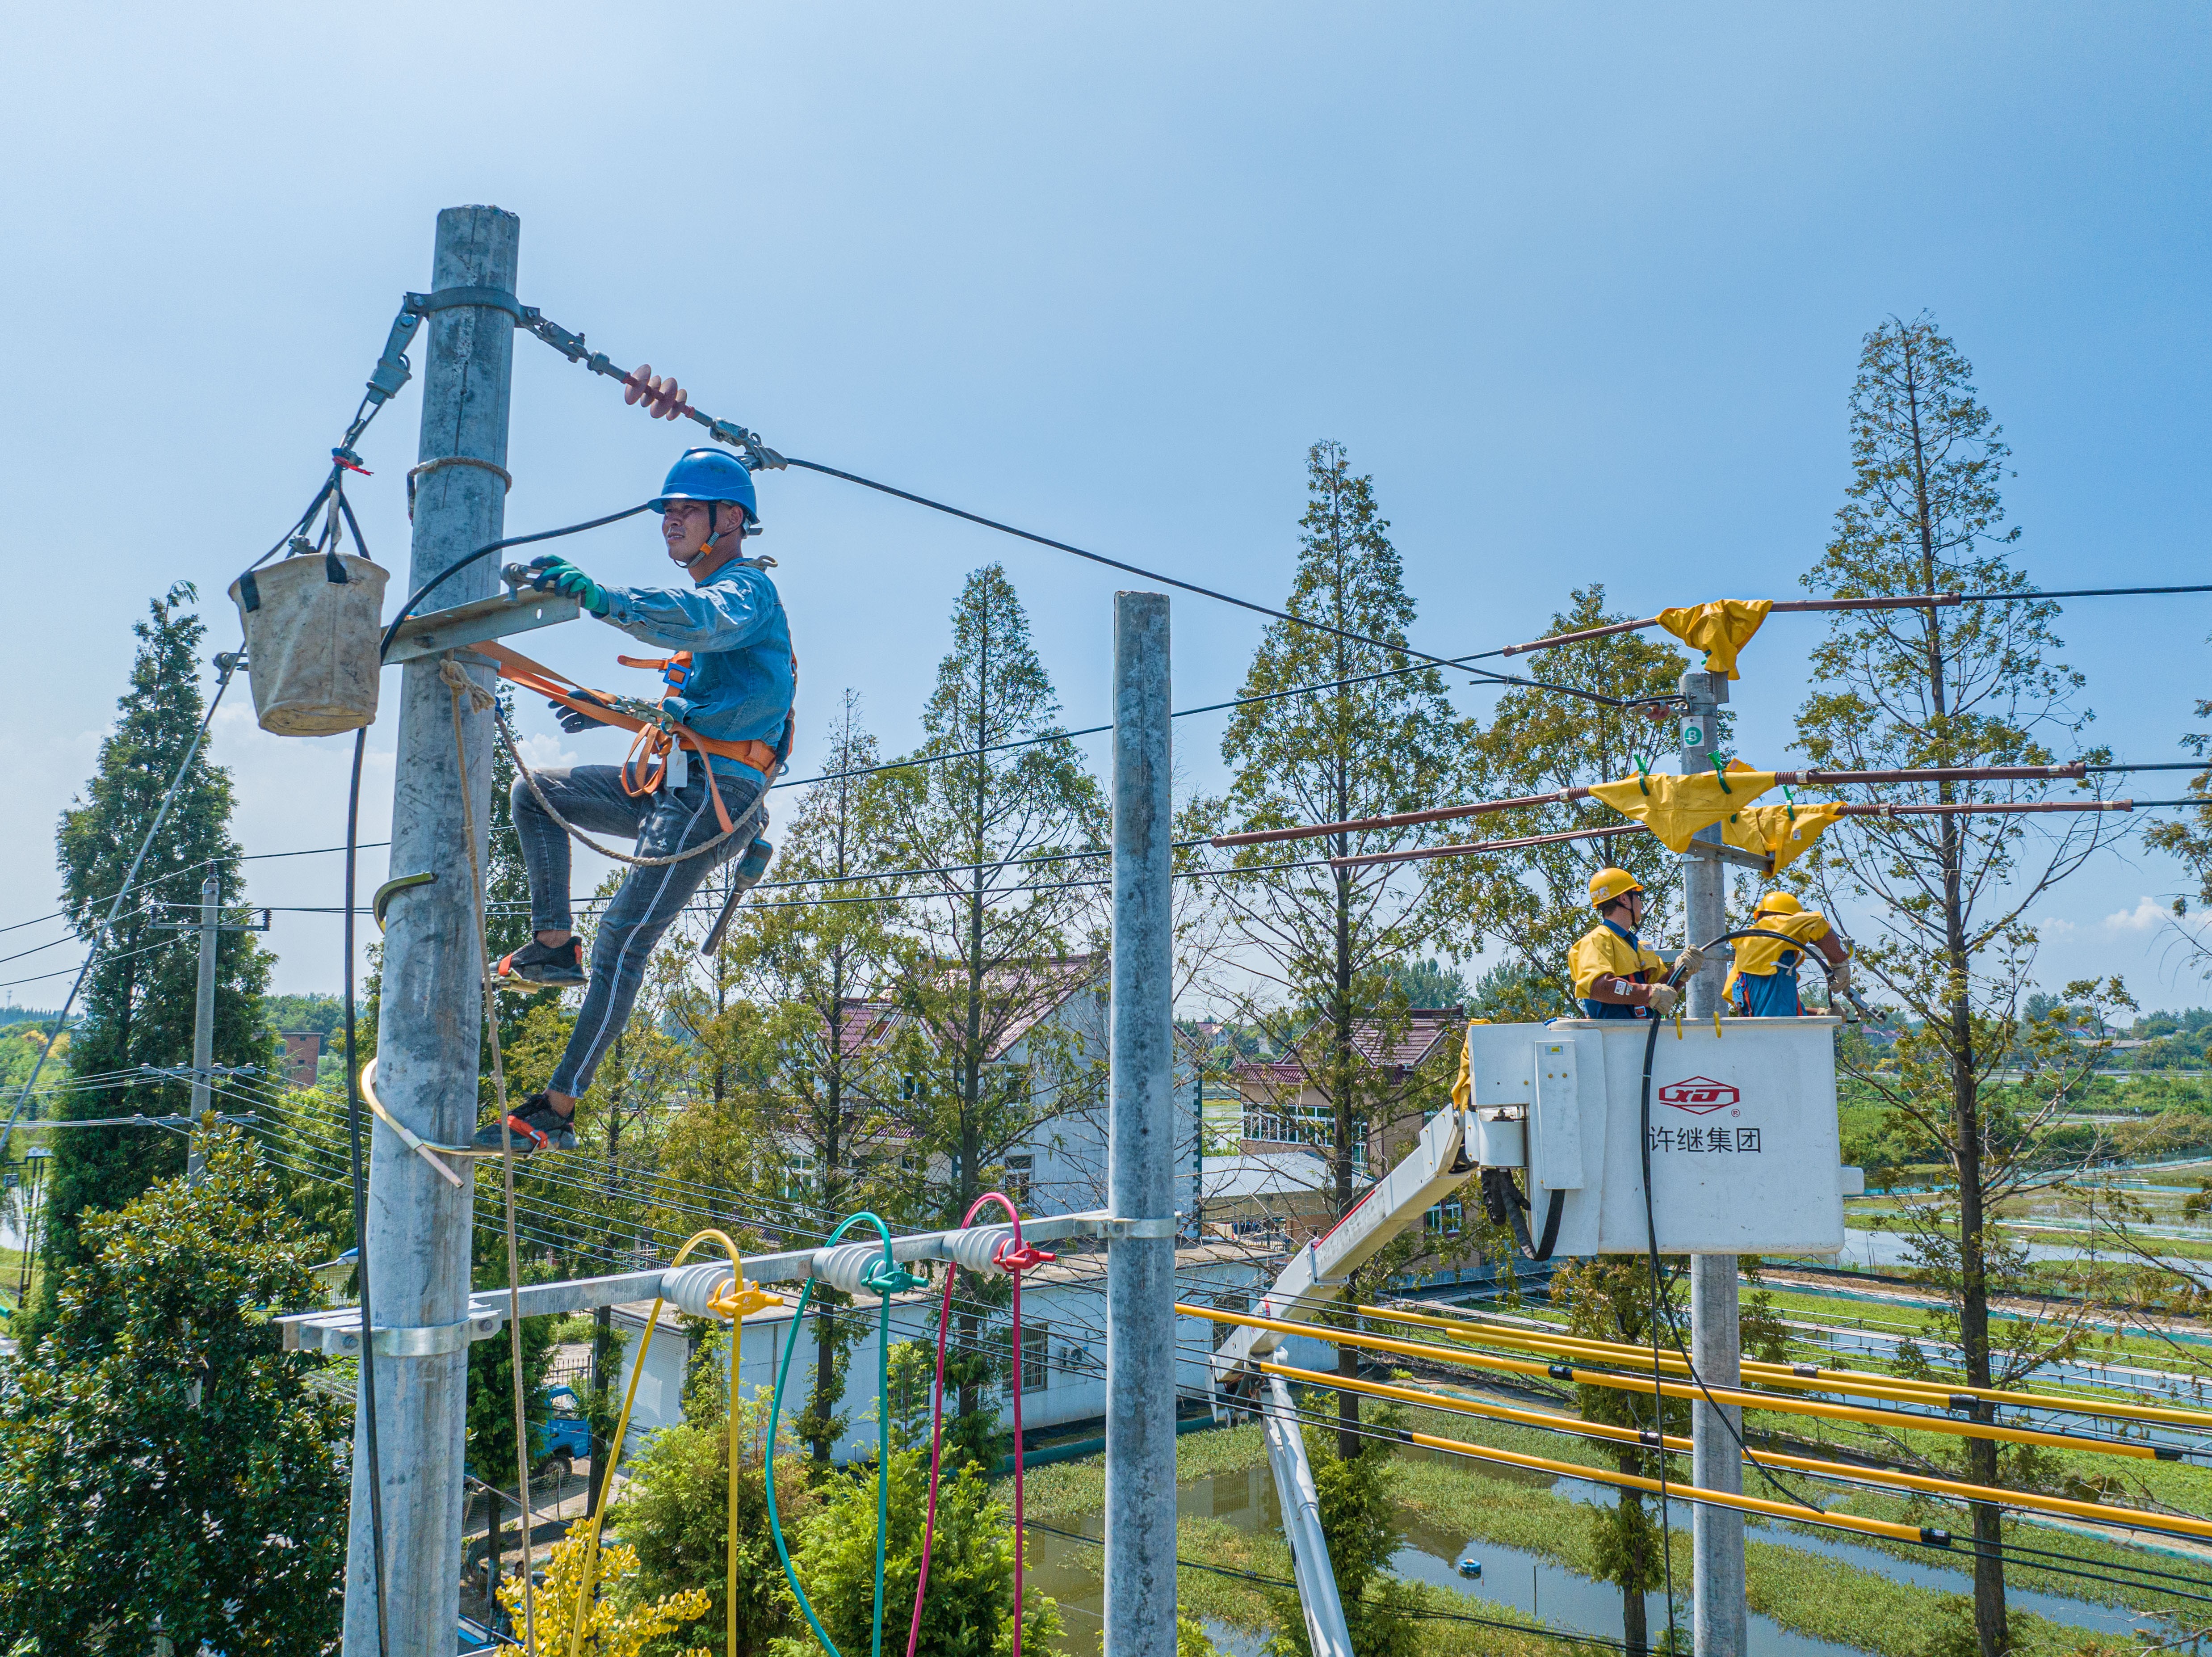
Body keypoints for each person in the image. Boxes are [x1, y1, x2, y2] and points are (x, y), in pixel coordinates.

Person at [474, 444, 794, 1152]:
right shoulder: (721, 606)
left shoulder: (745, 593)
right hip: (672, 781)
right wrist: (618, 711)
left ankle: (557, 1107)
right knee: (537, 795)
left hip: (714, 797)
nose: (670, 520)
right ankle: (555, 946)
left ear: (730, 518)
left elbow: (701, 619)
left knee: (624, 941)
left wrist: (605, 600)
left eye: (685, 509)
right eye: (666, 510)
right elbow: (699, 704)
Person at [1567, 868, 1692, 1020]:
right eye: (1638, 896)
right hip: (1614, 1037)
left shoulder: (1639, 946)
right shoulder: (1594, 941)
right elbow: (1600, 987)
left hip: (1644, 1035)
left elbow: (1662, 994)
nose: (1641, 904)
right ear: (1624, 899)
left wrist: (1678, 973)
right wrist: (1649, 993)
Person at [1724, 891, 1849, 1018]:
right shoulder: (1772, 927)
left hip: (1760, 1031)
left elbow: (1780, 1005)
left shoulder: (1748, 955)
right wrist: (1840, 962)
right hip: (1777, 1033)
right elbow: (1817, 922)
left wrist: (1821, 1014)